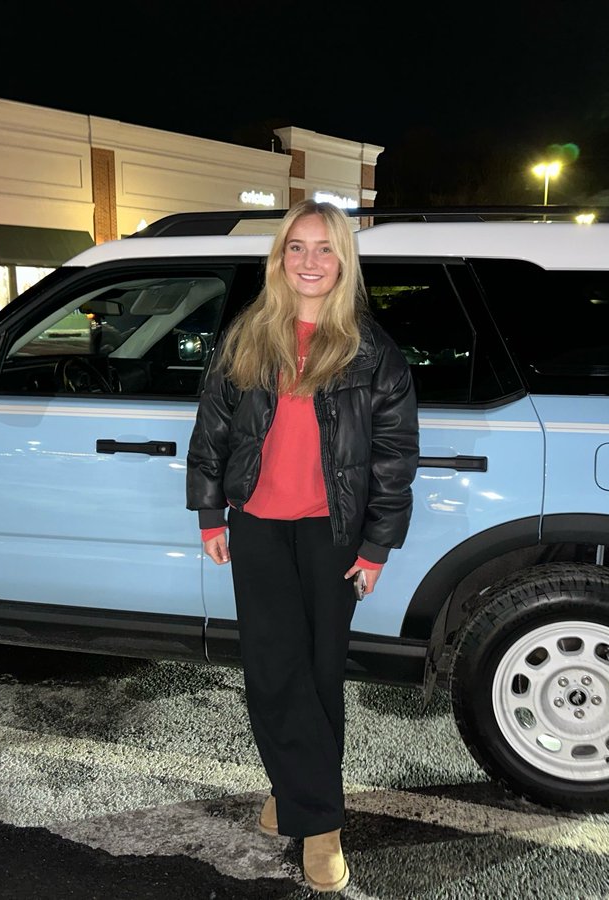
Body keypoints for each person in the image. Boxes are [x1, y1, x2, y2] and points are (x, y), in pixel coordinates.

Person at [186, 199, 419, 892]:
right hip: (257, 523)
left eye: (324, 248)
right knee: (270, 669)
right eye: (297, 247)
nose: (310, 261)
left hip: (332, 534)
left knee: (318, 675)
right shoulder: (248, 337)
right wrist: (209, 515)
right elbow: (211, 433)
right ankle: (313, 809)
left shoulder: (373, 352)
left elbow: (392, 459)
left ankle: (311, 814)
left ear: (343, 259)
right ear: (280, 257)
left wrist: (376, 548)